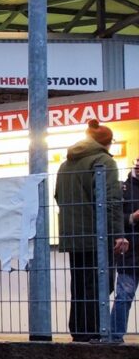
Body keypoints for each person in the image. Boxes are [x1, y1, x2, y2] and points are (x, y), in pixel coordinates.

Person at [54, 120, 130, 342]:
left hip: (73, 236)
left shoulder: (65, 164)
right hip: (97, 236)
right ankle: (95, 334)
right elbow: (111, 201)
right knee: (99, 285)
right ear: (107, 142)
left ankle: (79, 333)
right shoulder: (104, 161)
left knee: (79, 286)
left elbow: (57, 196)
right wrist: (118, 234)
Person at [111, 161, 139, 343]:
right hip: (131, 253)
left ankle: (114, 336)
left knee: (124, 296)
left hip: (130, 252)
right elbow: (114, 217)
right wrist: (132, 218)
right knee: (124, 296)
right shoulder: (123, 189)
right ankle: (114, 337)